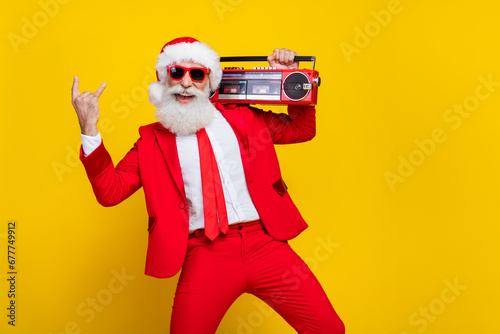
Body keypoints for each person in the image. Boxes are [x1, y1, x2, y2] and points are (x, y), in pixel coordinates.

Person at [72, 37, 344, 334]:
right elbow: (110, 192)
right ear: (164, 79)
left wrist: (290, 80)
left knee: (328, 328)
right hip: (207, 251)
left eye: (197, 74)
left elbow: (302, 129)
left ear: (209, 80)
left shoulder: (244, 116)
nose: (186, 83)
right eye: (177, 72)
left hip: (265, 245)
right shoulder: (151, 142)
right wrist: (89, 129)